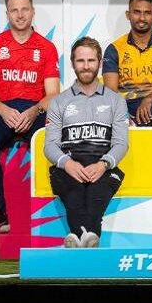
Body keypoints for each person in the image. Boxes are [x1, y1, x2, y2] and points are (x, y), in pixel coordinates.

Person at [0, 0, 61, 233]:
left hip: (35, 109)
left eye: (25, 9)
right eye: (14, 10)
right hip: (1, 109)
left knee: (54, 149)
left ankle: (55, 220)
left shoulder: (46, 47)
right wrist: (3, 110)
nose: (20, 15)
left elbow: (53, 94)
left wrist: (34, 111)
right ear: (7, 14)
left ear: (33, 12)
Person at [44, 37, 129, 248]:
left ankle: (77, 238)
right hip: (68, 165)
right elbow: (50, 145)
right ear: (73, 63)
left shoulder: (116, 101)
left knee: (95, 197)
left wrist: (103, 164)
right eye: (80, 61)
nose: (86, 66)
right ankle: (90, 238)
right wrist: (67, 164)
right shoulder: (59, 102)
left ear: (99, 62)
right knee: (74, 196)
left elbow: (121, 143)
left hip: (104, 165)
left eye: (91, 60)